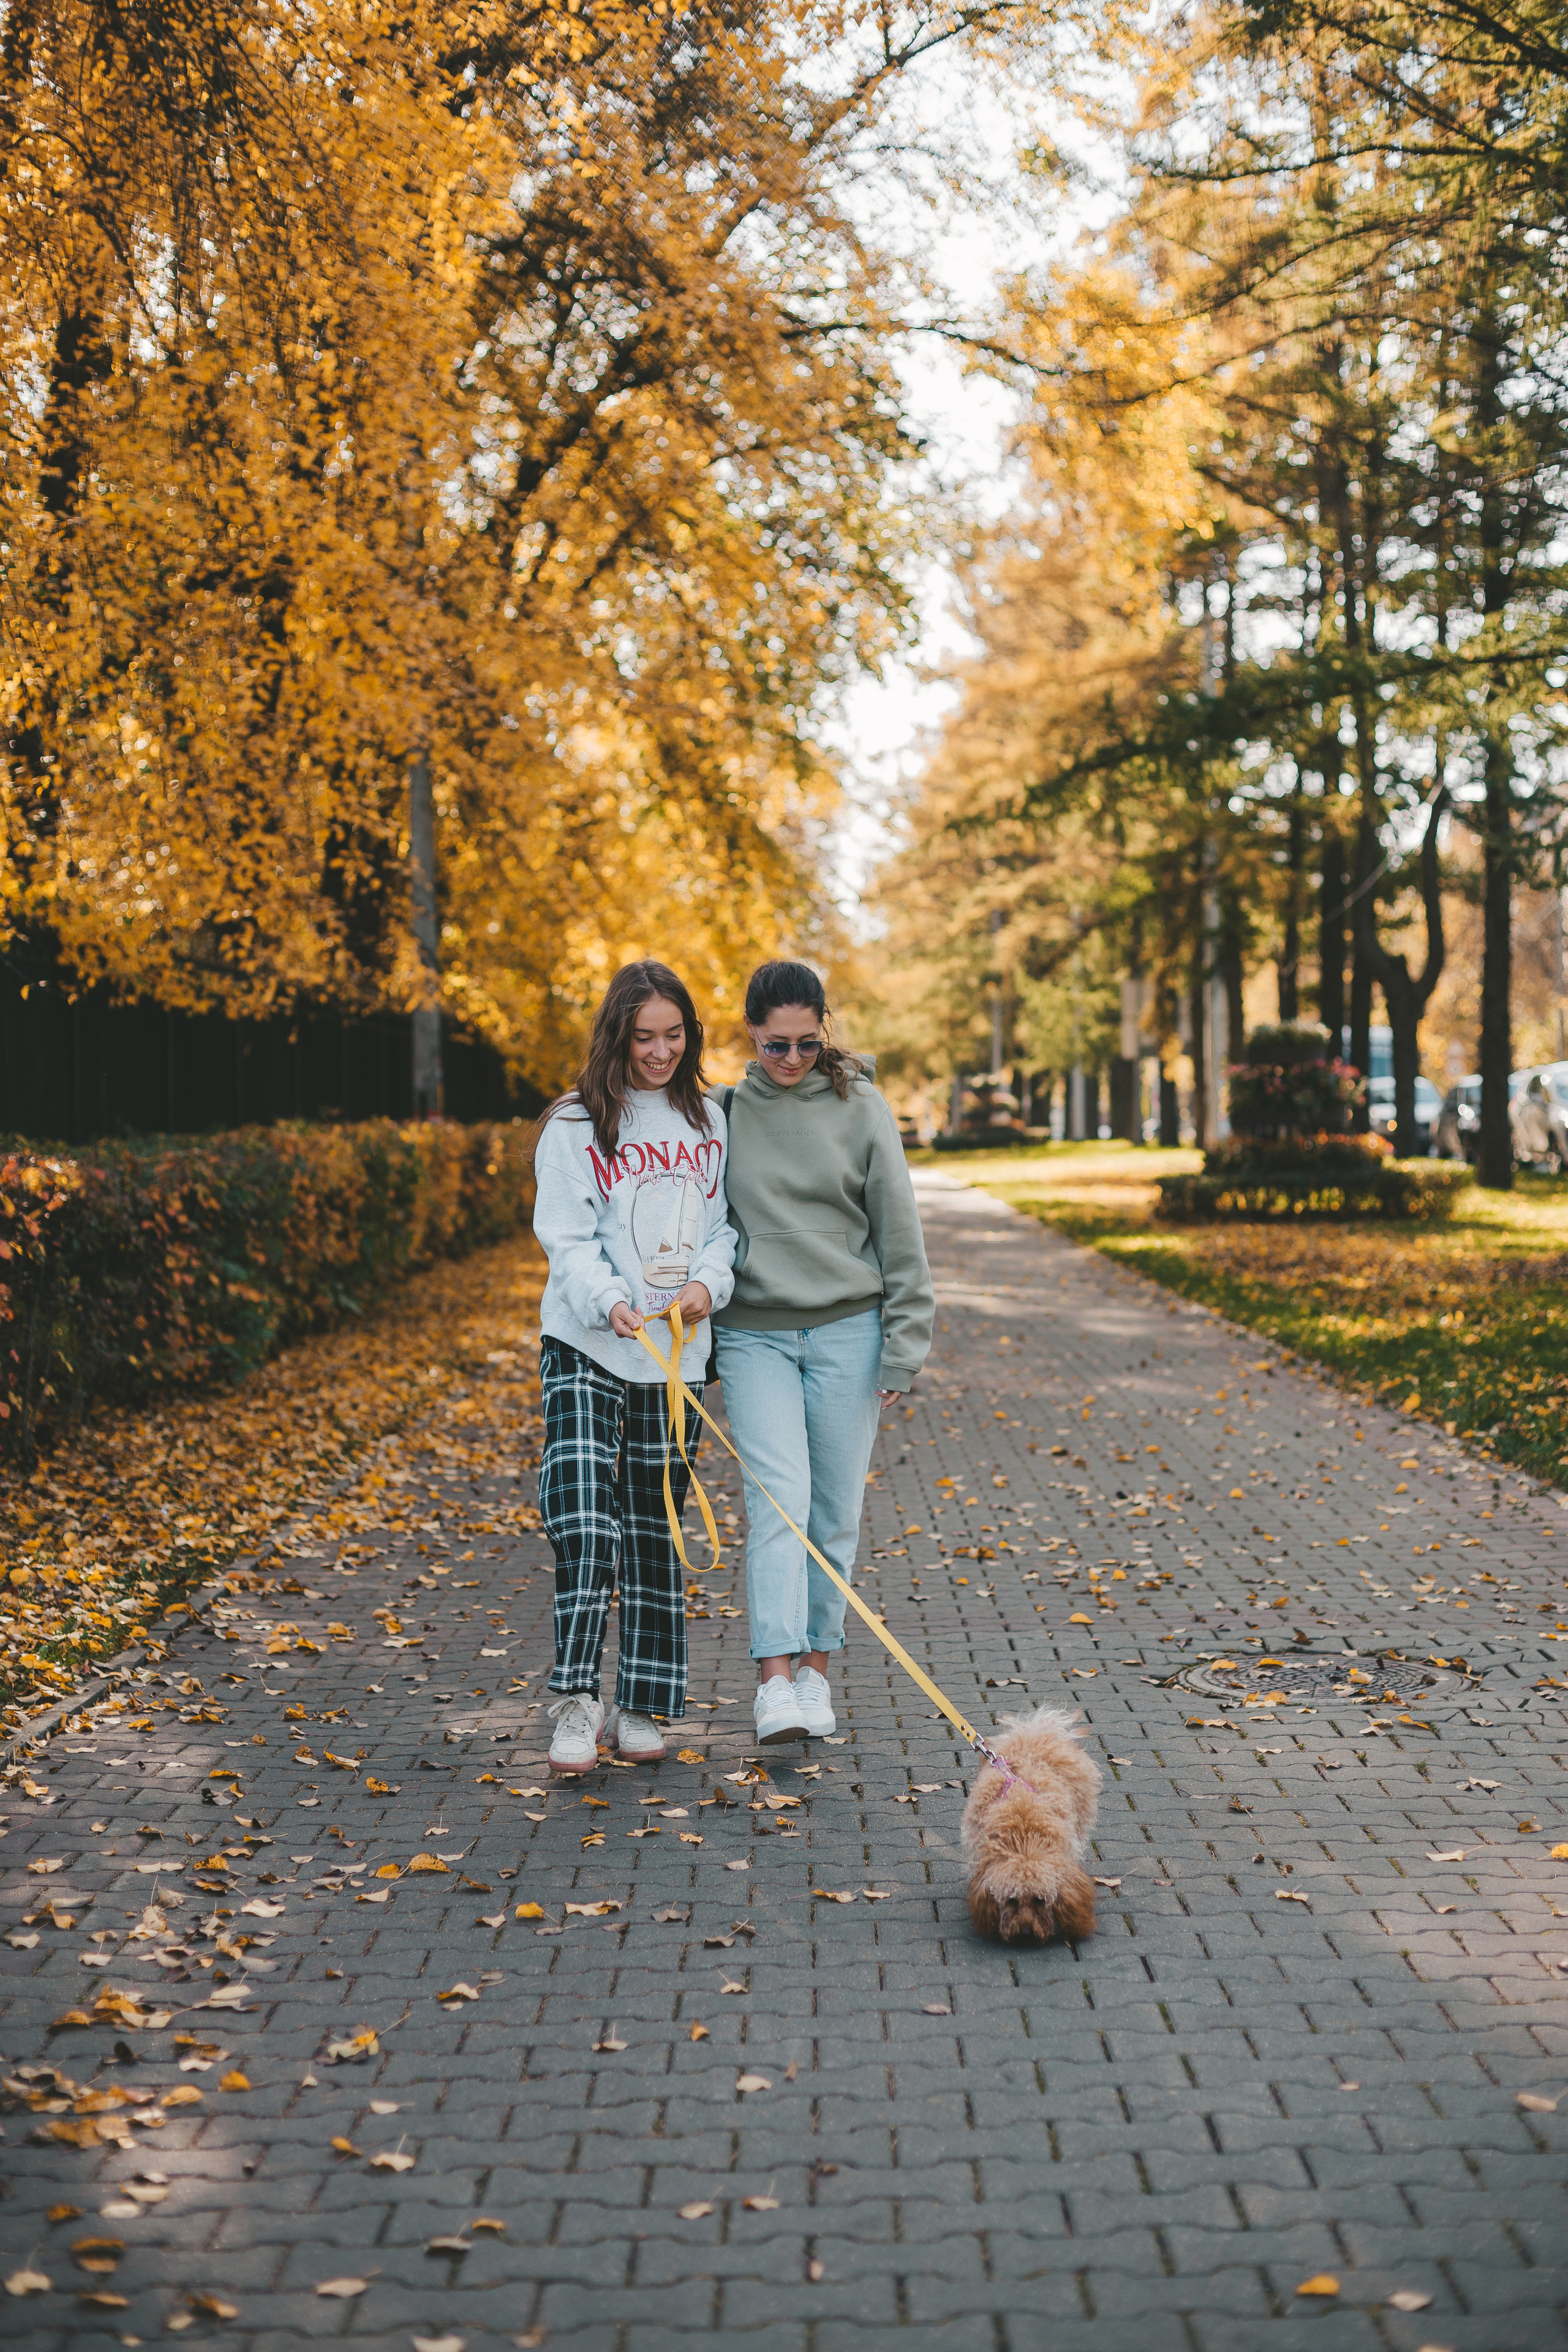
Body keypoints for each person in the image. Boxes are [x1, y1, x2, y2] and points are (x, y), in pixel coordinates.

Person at [712, 960, 933, 1744]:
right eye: (776, 1045)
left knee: (834, 1513)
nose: (792, 1059)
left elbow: (898, 1230)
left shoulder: (860, 1107)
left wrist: (904, 1345)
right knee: (779, 1502)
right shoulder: (722, 1113)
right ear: (751, 1032)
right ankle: (773, 1682)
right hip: (753, 1334)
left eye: (807, 1043)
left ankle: (815, 1674)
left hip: (850, 1332)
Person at [531, 961, 736, 1773]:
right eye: (644, 1036)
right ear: (616, 1035)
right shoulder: (575, 1124)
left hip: (675, 1359)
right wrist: (607, 1298)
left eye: (673, 1035)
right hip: (587, 1343)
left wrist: (707, 1285)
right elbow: (565, 1235)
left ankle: (640, 1702)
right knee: (585, 1520)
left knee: (655, 1529)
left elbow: (724, 1230)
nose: (659, 1052)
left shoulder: (708, 1120)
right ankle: (577, 1701)